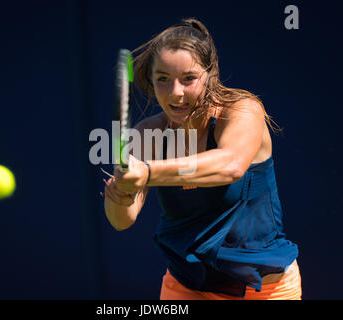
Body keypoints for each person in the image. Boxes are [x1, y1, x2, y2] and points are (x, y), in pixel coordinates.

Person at [102, 18, 301, 300]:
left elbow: (229, 165)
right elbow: (122, 220)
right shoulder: (148, 133)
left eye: (188, 79)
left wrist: (147, 172)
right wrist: (120, 195)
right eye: (163, 79)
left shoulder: (244, 111)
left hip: (264, 290)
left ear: (210, 74)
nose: (175, 92)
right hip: (186, 286)